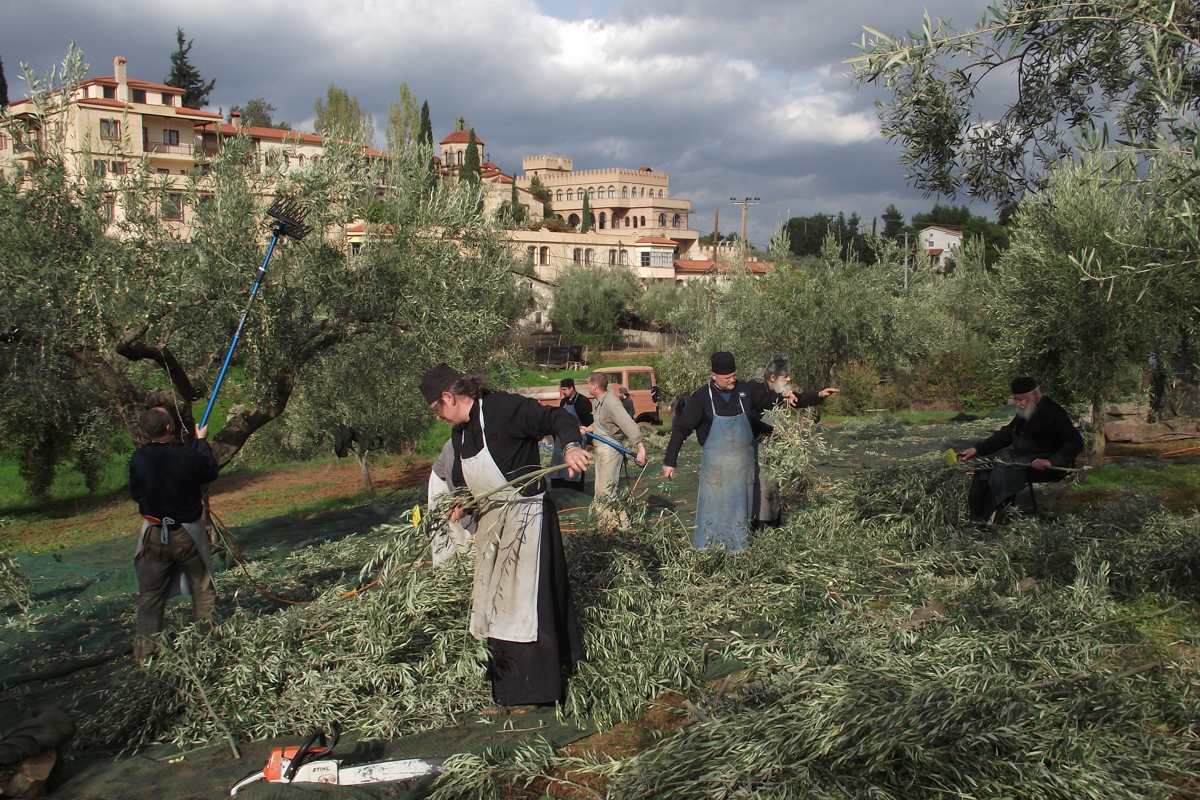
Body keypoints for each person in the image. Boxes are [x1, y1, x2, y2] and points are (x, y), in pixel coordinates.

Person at [420, 363, 590, 713]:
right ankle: (507, 690)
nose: (438, 417)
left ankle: (534, 693)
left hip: (526, 523)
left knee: (523, 609)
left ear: (448, 397)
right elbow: (461, 478)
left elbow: (556, 418)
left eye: (436, 409)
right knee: (493, 606)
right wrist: (462, 503)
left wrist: (572, 447)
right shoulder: (461, 433)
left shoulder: (503, 409)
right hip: (492, 529)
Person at [662, 351, 800, 550]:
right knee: (713, 518)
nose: (732, 380)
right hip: (716, 473)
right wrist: (670, 461)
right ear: (714, 376)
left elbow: (768, 400)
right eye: (727, 377)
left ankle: (739, 553)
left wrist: (792, 396)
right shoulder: (702, 398)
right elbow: (681, 429)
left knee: (739, 519)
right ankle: (709, 552)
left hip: (742, 473)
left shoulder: (745, 390)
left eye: (734, 375)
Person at [128, 407, 220, 661]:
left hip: (153, 534)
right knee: (203, 588)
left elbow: (135, 493)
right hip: (187, 535)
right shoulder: (186, 455)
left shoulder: (138, 458)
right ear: (169, 427)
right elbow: (209, 471)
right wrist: (202, 441)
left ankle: (145, 654)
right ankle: (207, 648)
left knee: (150, 595)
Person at [961, 377, 1084, 522]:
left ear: (1035, 395)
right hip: (1021, 456)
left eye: (1021, 399)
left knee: (1003, 471)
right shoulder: (1026, 410)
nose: (1018, 404)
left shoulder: (1053, 412)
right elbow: (1007, 434)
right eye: (1016, 399)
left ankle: (996, 521)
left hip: (1045, 462)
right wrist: (977, 449)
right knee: (983, 465)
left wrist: (1051, 461)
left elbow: (1075, 441)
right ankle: (974, 520)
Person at [751, 355, 839, 527]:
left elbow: (798, 399)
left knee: (773, 488)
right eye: (785, 377)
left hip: (773, 453)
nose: (789, 379)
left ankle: (774, 525)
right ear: (773, 377)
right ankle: (760, 528)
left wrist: (820, 394)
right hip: (758, 453)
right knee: (761, 491)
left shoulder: (777, 391)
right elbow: (753, 417)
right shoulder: (755, 391)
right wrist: (772, 430)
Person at [584, 372, 647, 520]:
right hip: (601, 450)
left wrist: (640, 448)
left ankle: (620, 526)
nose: (587, 386)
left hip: (611, 451)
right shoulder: (597, 401)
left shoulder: (612, 403)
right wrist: (589, 428)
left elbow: (628, 423)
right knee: (600, 492)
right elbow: (602, 423)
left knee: (606, 494)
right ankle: (607, 524)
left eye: (588, 383)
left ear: (594, 386)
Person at [427, 439, 474, 566]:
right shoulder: (455, 447)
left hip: (470, 487)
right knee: (456, 544)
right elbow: (457, 494)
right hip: (446, 489)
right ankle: (445, 572)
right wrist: (472, 528)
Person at [550, 378, 594, 492]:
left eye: (565, 389)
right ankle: (559, 488)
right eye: (562, 389)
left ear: (572, 388)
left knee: (575, 465)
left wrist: (590, 442)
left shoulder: (583, 402)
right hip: (561, 440)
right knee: (559, 464)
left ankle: (575, 489)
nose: (563, 392)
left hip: (578, 440)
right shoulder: (563, 402)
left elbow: (589, 423)